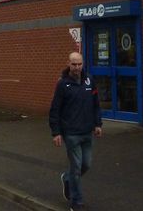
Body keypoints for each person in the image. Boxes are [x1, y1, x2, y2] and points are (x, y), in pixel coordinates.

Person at [49, 52, 102, 211]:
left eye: (79, 64)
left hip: (87, 131)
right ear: (68, 64)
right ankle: (76, 201)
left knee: (86, 164)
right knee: (77, 168)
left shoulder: (89, 80)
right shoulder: (62, 84)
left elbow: (96, 104)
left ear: (82, 63)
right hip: (71, 133)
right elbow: (55, 109)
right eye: (74, 64)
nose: (77, 67)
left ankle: (66, 178)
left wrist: (98, 124)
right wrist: (56, 132)